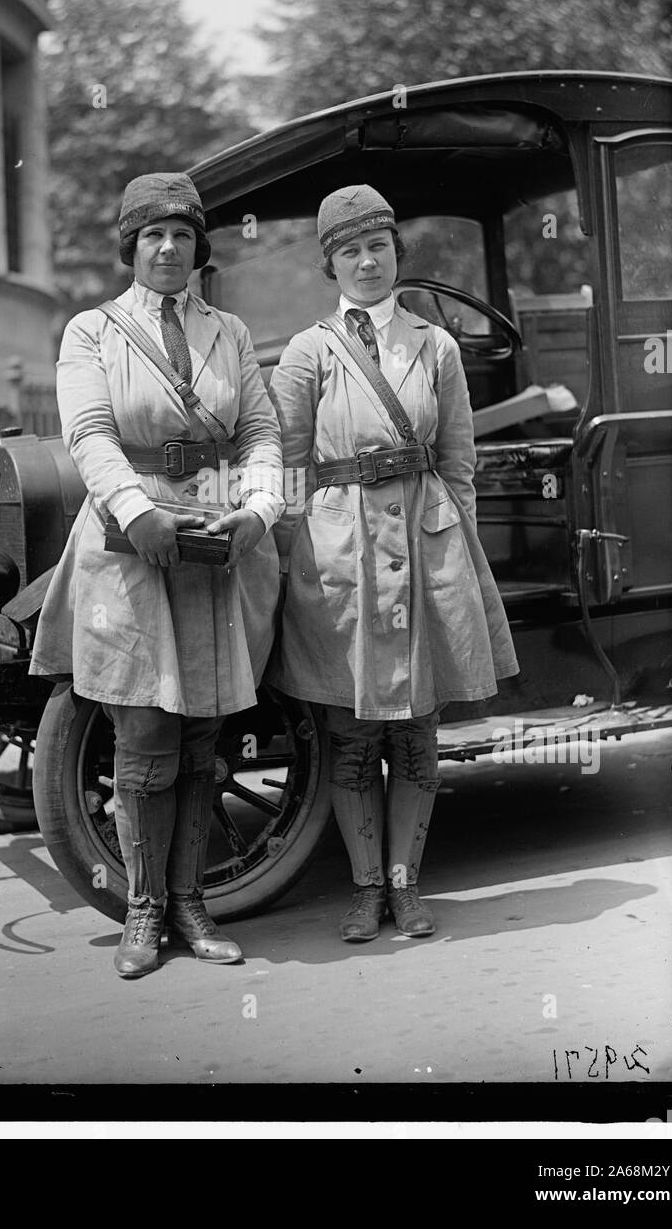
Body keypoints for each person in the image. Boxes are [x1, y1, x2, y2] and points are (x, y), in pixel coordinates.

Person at [30, 172, 285, 977]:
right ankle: (142, 911)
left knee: (203, 733)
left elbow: (259, 431)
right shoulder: (92, 332)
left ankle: (191, 905)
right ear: (131, 249)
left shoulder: (232, 333)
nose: (168, 248)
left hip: (214, 538)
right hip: (127, 541)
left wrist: (258, 510)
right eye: (152, 236)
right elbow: (90, 431)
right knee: (142, 732)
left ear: (199, 247)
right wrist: (138, 512)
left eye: (181, 234)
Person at [266, 185, 518, 942]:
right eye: (350, 251)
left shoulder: (433, 346)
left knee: (414, 735)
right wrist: (290, 561)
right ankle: (365, 889)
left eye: (378, 247)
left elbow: (458, 462)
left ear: (396, 254)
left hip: (423, 545)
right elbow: (284, 465)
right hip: (340, 554)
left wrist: (455, 550)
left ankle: (407, 889)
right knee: (351, 735)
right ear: (331, 264)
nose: (366, 262)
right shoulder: (308, 352)